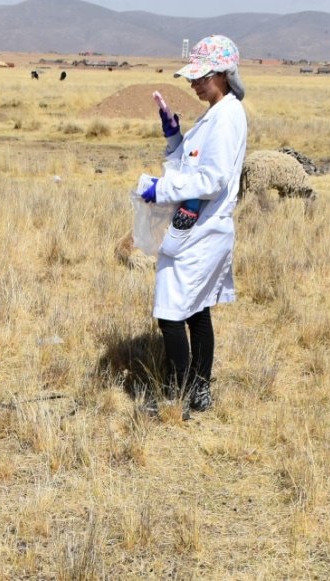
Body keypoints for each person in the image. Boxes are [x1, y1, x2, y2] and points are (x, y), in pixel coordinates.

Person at [139, 35, 248, 414]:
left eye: (201, 77)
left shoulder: (227, 116)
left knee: (170, 312)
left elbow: (212, 179)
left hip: (203, 230)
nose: (193, 83)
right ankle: (199, 392)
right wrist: (174, 138)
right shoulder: (217, 113)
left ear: (223, 74)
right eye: (192, 77)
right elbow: (193, 165)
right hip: (197, 226)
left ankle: (177, 396)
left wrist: (161, 189)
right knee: (198, 309)